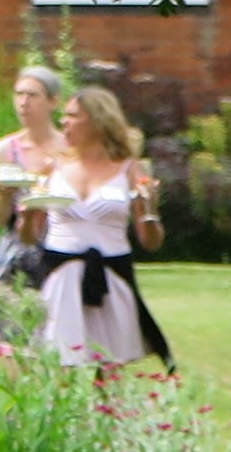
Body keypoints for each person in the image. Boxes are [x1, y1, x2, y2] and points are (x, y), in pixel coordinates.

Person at [23, 84, 170, 367]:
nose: (63, 122)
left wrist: (150, 209)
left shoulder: (129, 169)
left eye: (72, 115)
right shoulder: (51, 168)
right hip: (60, 274)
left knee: (108, 369)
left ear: (97, 120)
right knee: (58, 363)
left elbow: (151, 241)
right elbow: (29, 236)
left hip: (111, 275)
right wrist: (28, 214)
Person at [0, 64, 62, 286]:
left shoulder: (70, 147)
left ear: (53, 102)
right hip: (17, 247)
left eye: (32, 95)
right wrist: (4, 195)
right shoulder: (4, 149)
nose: (23, 102)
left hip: (61, 244)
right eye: (18, 94)